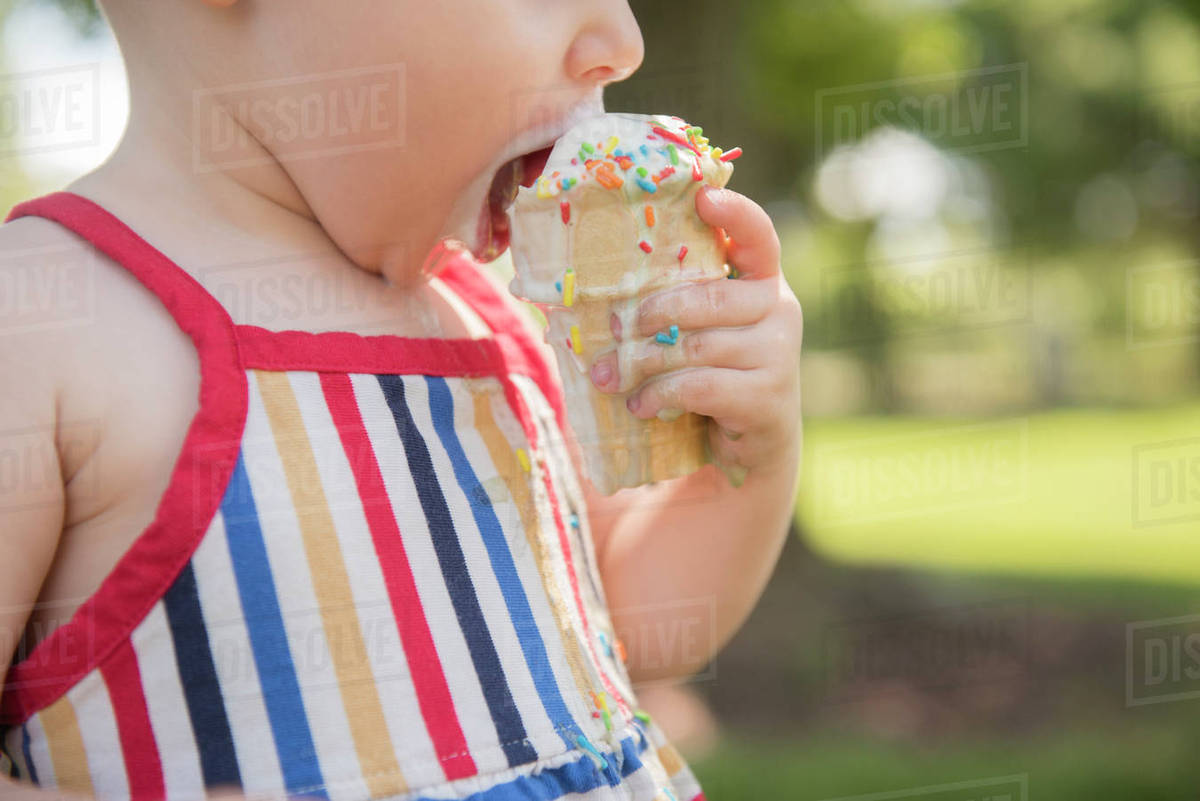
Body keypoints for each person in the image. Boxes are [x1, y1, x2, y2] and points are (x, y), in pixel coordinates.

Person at [0, 1, 803, 798]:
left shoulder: (500, 314)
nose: (622, 44)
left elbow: (623, 627)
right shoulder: (44, 321)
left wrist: (743, 463)